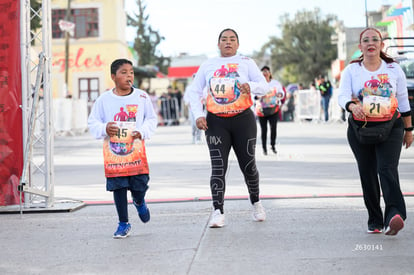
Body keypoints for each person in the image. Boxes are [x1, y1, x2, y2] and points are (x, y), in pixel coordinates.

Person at [186, 28, 268, 228]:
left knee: (248, 165)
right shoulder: (208, 65)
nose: (228, 42)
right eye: (224, 39)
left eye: (232, 39)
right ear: (218, 43)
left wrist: (251, 86)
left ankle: (256, 202)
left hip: (243, 120)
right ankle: (217, 211)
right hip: (216, 122)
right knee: (218, 167)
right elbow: (194, 92)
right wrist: (198, 116)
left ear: (238, 44)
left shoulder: (246, 62)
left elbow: (264, 86)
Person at [338, 27, 413, 236]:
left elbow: (404, 100)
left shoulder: (393, 69)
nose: (370, 43)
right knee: (367, 172)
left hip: (391, 126)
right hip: (361, 129)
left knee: (387, 169)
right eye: (366, 40)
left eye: (375, 39)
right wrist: (353, 106)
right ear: (360, 46)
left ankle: (394, 215)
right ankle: (375, 220)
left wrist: (408, 129)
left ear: (381, 44)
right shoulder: (352, 70)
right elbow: (342, 95)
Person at [88, 59, 157, 238]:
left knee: (139, 185)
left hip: (136, 152)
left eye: (131, 72)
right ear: (113, 77)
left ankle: (139, 200)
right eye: (124, 72)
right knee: (118, 187)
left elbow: (151, 119)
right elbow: (93, 122)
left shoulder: (141, 97)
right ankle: (123, 223)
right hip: (114, 153)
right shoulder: (104, 100)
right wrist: (104, 128)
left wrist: (142, 131)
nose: (129, 76)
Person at [255, 65, 286, 155]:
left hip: (273, 109)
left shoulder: (275, 83)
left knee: (273, 129)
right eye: (263, 72)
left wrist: (280, 94)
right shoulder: (258, 83)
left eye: (266, 71)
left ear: (269, 73)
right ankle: (264, 148)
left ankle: (273, 145)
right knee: (263, 130)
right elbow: (254, 95)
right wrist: (259, 96)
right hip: (262, 110)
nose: (265, 73)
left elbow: (281, 92)